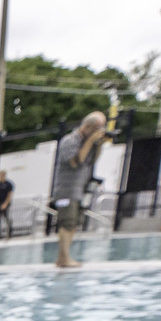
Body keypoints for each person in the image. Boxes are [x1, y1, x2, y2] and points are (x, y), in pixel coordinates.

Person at [51, 112, 109, 268]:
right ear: (86, 127)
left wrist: (99, 145)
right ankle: (63, 258)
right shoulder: (69, 141)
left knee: (74, 223)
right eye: (96, 128)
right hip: (65, 191)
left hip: (79, 192)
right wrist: (90, 141)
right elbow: (76, 162)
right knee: (67, 222)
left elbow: (90, 162)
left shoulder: (87, 144)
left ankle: (63, 257)